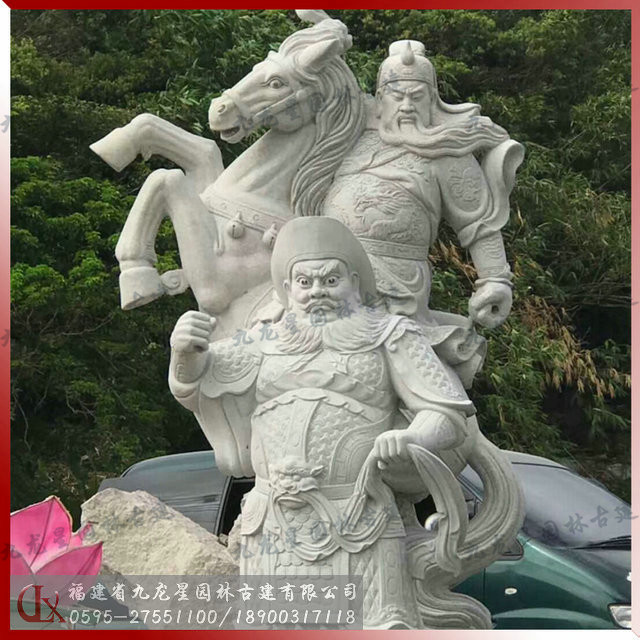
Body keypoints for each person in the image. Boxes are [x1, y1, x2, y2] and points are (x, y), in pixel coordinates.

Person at [168, 216, 479, 629]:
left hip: (359, 517)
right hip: (274, 522)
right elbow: (198, 382)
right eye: (304, 281)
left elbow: (447, 412)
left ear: (354, 282)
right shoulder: (261, 341)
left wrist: (411, 437)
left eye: (331, 280)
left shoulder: (391, 335)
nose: (317, 291)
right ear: (287, 288)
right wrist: (184, 352)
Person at [323, 40, 523, 387]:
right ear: (380, 99)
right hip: (320, 276)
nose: (406, 106)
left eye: (416, 97)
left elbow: (479, 222)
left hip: (395, 285)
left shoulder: (447, 152)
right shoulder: (350, 137)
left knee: (399, 367)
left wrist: (494, 280)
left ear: (432, 100)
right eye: (396, 96)